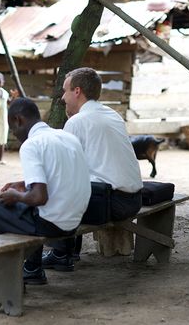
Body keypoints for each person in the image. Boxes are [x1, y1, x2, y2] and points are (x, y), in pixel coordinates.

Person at [0, 98, 91, 304]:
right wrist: (23, 184)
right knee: (6, 212)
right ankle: (12, 276)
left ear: (18, 120)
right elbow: (60, 176)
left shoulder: (31, 145)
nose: (14, 135)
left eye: (12, 128)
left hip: (51, 224)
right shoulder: (65, 137)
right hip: (74, 221)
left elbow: (39, 197)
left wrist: (15, 196)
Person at [42, 67, 143, 271]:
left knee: (48, 194)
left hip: (113, 202)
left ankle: (60, 254)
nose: (63, 98)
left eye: (65, 91)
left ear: (77, 91)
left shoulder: (77, 121)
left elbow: (64, 173)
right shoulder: (112, 114)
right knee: (77, 184)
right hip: (134, 199)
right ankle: (69, 251)